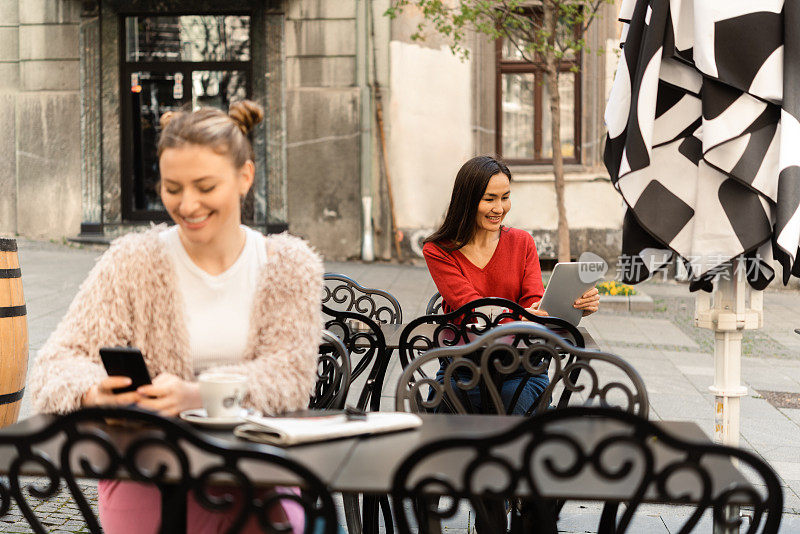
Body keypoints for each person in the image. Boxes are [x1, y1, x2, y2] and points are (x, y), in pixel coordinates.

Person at [27, 101, 322, 534]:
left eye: (205, 186)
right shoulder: (132, 260)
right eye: (171, 188)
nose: (187, 204)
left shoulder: (289, 264)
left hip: (256, 469)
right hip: (146, 467)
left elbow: (290, 376)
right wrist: (93, 391)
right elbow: (55, 364)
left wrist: (194, 395)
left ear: (245, 177)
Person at [422, 155, 600, 415]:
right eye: (489, 199)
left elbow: (533, 301)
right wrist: (525, 317)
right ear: (467, 200)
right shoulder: (439, 250)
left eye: (505, 197)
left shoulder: (521, 242)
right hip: (463, 367)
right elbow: (471, 307)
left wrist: (571, 305)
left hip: (521, 368)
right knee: (447, 437)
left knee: (511, 424)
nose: (499, 208)